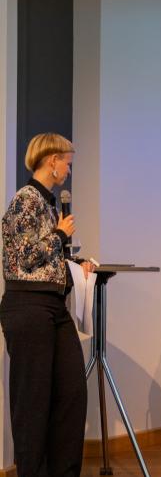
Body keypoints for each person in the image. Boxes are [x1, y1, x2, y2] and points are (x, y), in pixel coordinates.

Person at [1, 133, 95, 476]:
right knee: (33, 402)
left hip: (53, 307)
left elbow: (46, 256)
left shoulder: (49, 203)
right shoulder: (26, 199)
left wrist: (77, 263)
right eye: (67, 162)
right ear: (51, 159)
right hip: (28, 306)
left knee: (71, 394)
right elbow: (25, 256)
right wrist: (60, 235)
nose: (68, 170)